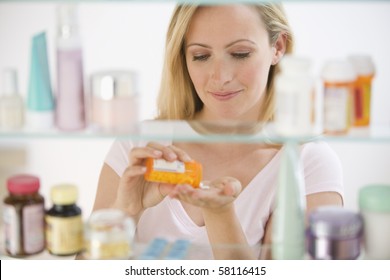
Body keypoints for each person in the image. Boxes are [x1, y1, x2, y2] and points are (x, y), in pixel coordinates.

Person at [91, 3, 343, 260]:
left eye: (240, 53)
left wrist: (220, 214)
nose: (220, 77)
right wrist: (127, 210)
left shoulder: (309, 163)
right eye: (201, 56)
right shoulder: (138, 145)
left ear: (277, 47)